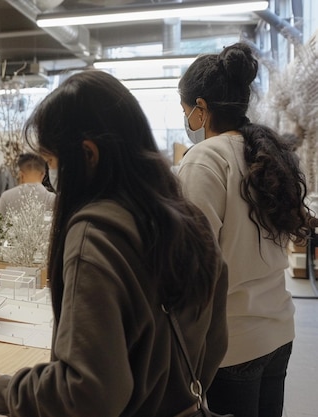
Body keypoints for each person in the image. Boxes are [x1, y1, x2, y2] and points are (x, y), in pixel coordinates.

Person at [0, 70, 229, 416]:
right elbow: (215, 342)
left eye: (53, 162)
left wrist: (2, 390)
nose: (52, 178)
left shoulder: (95, 233)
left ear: (87, 154)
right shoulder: (187, 218)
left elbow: (90, 393)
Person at [176, 43, 313, 417]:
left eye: (186, 109)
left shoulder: (205, 159)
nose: (186, 118)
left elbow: (197, 262)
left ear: (201, 109)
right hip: (277, 328)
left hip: (231, 341)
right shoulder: (267, 153)